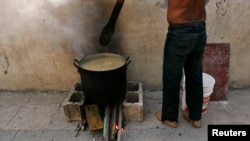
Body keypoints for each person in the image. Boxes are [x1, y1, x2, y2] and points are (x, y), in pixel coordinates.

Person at [156, 0, 208, 128]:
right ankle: (195, 117)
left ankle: (170, 118)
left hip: (179, 31)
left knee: (172, 78)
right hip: (200, 29)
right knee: (195, 76)